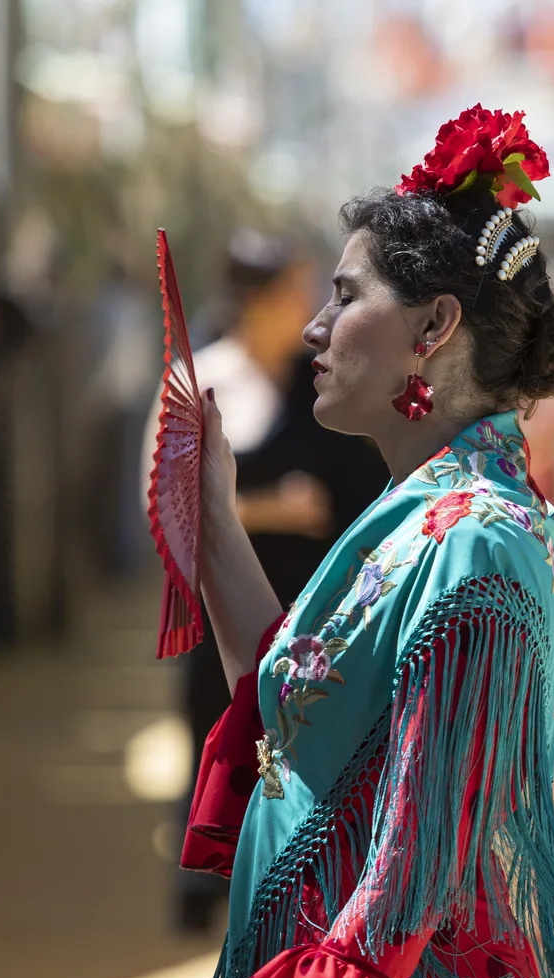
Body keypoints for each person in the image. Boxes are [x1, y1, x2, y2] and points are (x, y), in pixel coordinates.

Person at [163, 106, 554, 978]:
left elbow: (407, 877)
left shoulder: (478, 536)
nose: (313, 326)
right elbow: (289, 719)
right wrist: (213, 515)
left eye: (343, 296)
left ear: (433, 327)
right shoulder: (420, 515)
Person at [142, 230, 386, 933]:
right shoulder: (201, 378)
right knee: (214, 739)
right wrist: (264, 508)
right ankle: (203, 887)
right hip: (219, 603)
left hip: (310, 611)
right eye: (296, 293)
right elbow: (162, 501)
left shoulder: (323, 379)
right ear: (256, 300)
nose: (311, 311)